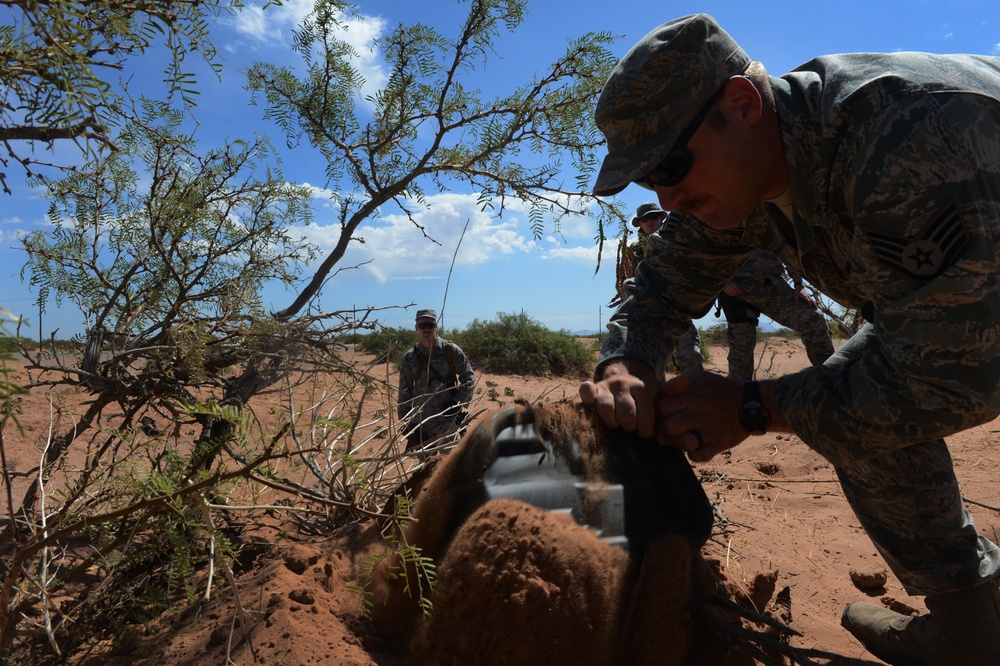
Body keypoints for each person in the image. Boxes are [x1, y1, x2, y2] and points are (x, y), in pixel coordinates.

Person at [579, 14, 1000, 665]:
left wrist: (752, 407)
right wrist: (626, 363)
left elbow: (954, 375)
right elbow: (660, 288)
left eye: (671, 163)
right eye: (647, 180)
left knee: (849, 396)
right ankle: (976, 627)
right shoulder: (739, 177)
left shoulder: (902, 141)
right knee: (845, 401)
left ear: (743, 105)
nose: (667, 193)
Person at [614, 202, 705, 375]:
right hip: (648, 315)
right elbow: (627, 281)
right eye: (645, 218)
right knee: (650, 367)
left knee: (691, 358)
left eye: (654, 216)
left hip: (677, 310)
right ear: (639, 223)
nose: (650, 221)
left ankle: (699, 399)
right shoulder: (632, 251)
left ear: (661, 218)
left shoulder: (677, 242)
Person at [717, 248, 835, 380]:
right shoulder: (725, 227)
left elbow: (789, 252)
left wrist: (799, 284)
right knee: (741, 350)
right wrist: (722, 283)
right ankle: (738, 396)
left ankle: (830, 378)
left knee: (814, 318)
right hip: (739, 291)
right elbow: (706, 253)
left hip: (775, 288)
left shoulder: (773, 227)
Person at [397, 309, 475, 452]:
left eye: (430, 325)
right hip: (421, 423)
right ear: (416, 328)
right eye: (422, 326)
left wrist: (456, 403)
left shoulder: (451, 351)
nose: (426, 329)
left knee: (448, 465)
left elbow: (468, 378)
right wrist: (407, 421)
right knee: (424, 468)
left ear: (436, 326)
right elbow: (404, 390)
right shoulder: (409, 358)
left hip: (446, 420)